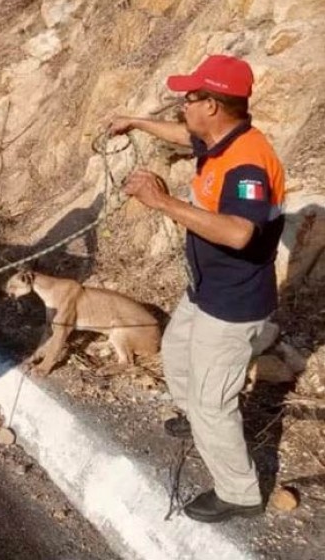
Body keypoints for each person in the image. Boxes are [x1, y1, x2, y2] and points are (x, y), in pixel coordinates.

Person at [109, 54, 285, 523]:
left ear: (212, 105)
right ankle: (197, 421)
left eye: (189, 97)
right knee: (175, 351)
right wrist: (136, 123)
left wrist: (160, 200)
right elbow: (180, 134)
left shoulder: (248, 163)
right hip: (205, 290)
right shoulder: (219, 137)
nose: (181, 105)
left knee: (215, 403)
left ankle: (240, 492)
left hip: (233, 303)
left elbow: (238, 232)